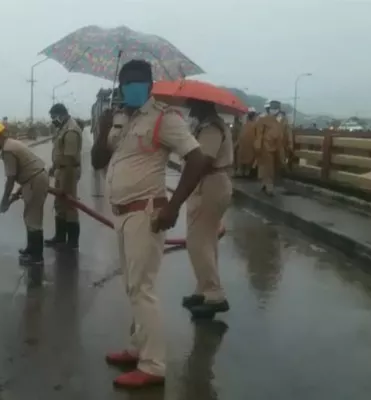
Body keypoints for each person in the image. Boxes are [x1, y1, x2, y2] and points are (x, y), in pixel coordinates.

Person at [91, 59, 206, 388]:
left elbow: (197, 158)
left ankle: (154, 365)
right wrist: (102, 130)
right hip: (122, 215)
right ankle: (136, 347)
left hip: (147, 213)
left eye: (140, 81)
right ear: (121, 85)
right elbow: (98, 161)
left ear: (151, 84)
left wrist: (173, 206)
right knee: (132, 286)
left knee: (143, 289)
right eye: (128, 81)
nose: (133, 86)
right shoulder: (119, 119)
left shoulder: (164, 118)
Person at [181, 99, 233, 318]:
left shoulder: (211, 127)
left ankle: (214, 294)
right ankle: (203, 290)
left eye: (193, 105)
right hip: (212, 183)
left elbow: (203, 160)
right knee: (207, 240)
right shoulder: (208, 125)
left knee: (197, 241)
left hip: (209, 184)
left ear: (203, 106)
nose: (190, 109)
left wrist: (183, 189)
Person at [0, 121, 49, 266]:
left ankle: (37, 257)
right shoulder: (11, 144)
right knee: (29, 215)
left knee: (33, 218)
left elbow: (11, 179)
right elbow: (22, 173)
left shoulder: (7, 150)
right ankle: (31, 249)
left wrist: (4, 201)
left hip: (34, 180)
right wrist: (14, 197)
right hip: (33, 179)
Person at [45, 103, 82, 250]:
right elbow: (59, 152)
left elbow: (69, 158)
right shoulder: (62, 128)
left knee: (70, 205)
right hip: (61, 169)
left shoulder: (71, 130)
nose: (53, 120)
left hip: (69, 171)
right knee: (60, 205)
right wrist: (53, 169)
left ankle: (72, 242)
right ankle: (60, 237)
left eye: (54, 117)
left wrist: (64, 184)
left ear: (62, 115)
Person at [254, 100, 286, 195]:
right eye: (272, 109)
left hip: (279, 146)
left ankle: (265, 183)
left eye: (276, 109)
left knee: (276, 166)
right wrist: (258, 145)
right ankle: (269, 185)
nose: (274, 111)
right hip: (266, 145)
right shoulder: (264, 119)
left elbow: (286, 133)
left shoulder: (282, 120)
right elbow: (259, 133)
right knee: (268, 166)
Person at [236, 109, 258, 177]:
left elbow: (240, 136)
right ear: (254, 117)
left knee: (242, 158)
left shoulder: (245, 125)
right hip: (251, 147)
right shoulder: (255, 126)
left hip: (242, 147)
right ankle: (247, 172)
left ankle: (241, 171)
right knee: (249, 159)